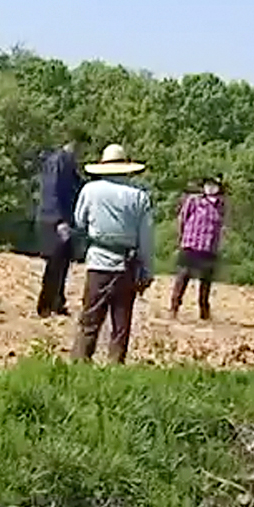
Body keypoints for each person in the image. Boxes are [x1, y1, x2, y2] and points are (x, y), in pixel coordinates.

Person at [70, 144, 154, 363]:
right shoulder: (139, 196)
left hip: (98, 260)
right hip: (127, 264)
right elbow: (146, 238)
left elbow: (79, 221)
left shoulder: (90, 190)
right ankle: (115, 364)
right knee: (121, 321)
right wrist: (147, 270)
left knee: (90, 317)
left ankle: (80, 360)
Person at [35, 128, 89, 317]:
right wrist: (59, 220)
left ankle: (58, 301)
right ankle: (45, 305)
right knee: (54, 264)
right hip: (54, 219)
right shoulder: (57, 161)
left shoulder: (69, 162)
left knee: (63, 263)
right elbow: (52, 191)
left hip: (65, 219)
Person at [169, 174, 226, 321]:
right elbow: (183, 219)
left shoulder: (221, 205)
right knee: (183, 276)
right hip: (191, 244)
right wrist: (180, 238)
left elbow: (221, 226)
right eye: (208, 184)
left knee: (206, 280)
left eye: (214, 185)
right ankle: (174, 307)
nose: (210, 187)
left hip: (209, 247)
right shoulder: (194, 201)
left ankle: (204, 311)